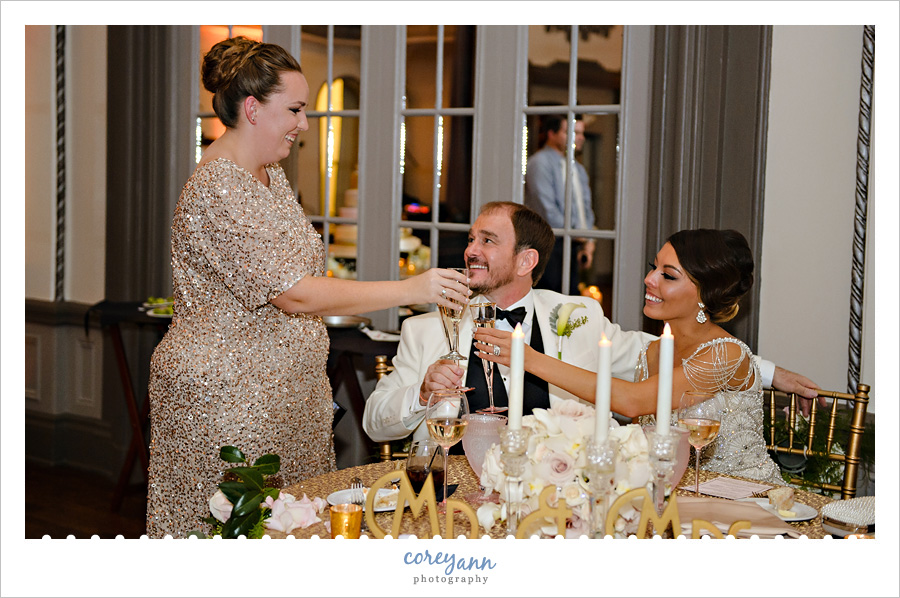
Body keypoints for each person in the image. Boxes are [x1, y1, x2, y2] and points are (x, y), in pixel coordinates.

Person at [145, 37, 468, 538]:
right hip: (230, 398)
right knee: (236, 536)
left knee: (294, 533)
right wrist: (410, 287)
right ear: (252, 108)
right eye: (295, 109)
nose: (303, 123)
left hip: (285, 394)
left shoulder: (268, 175)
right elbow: (293, 292)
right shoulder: (217, 187)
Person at [363, 203, 816, 447]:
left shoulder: (577, 316)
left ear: (527, 260)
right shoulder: (424, 330)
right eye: (471, 239)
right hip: (454, 493)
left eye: (488, 240)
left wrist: (770, 372)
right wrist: (421, 395)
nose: (471, 250)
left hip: (556, 492)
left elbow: (678, 352)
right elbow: (374, 426)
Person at [475, 229, 791, 483]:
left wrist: (529, 359)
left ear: (704, 294)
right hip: (679, 494)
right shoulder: (652, 353)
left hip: (746, 497)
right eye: (654, 267)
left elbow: (632, 401)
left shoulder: (726, 354)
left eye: (668, 275)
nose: (649, 279)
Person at [524, 114, 595, 295]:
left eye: (581, 133)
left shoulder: (578, 168)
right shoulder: (539, 163)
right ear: (551, 134)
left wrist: (589, 240)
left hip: (574, 245)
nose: (580, 138)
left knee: (571, 302)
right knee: (549, 303)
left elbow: (585, 208)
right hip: (550, 246)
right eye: (571, 132)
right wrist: (581, 235)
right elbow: (547, 211)